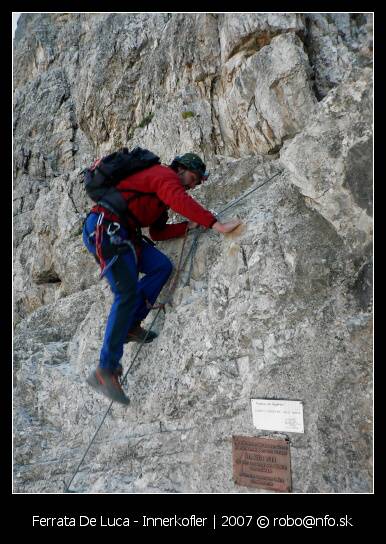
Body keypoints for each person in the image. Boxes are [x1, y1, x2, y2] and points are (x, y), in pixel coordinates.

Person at [82, 152, 241, 405]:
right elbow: (179, 198)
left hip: (125, 233)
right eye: (192, 177)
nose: (192, 184)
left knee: (161, 266)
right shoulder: (164, 175)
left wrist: (186, 227)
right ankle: (106, 370)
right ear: (180, 169)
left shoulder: (160, 195)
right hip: (105, 227)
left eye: (197, 182)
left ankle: (131, 324)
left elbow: (157, 232)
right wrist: (215, 224)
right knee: (125, 293)